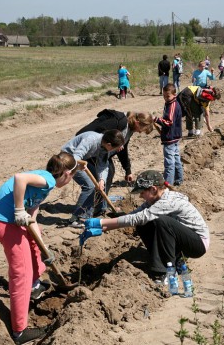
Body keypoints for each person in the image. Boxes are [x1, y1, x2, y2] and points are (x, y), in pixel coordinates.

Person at [0, 152, 80, 344]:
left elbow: (32, 219)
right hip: (1, 222)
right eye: (73, 178)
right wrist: (19, 209)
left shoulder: (43, 187)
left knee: (34, 244)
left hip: (8, 220)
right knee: (21, 272)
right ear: (67, 174)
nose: (71, 181)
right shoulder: (47, 180)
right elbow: (20, 178)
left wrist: (46, 249)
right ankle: (20, 332)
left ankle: (35, 285)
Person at [79, 170, 209, 283]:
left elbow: (140, 217)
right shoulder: (153, 199)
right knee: (143, 224)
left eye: (142, 192)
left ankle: (164, 272)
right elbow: (134, 216)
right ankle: (175, 260)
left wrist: (100, 222)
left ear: (153, 189)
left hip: (197, 245)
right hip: (182, 240)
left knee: (161, 222)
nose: (140, 196)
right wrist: (104, 227)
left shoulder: (168, 201)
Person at [61, 129, 126, 223]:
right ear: (109, 144)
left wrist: (102, 180)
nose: (113, 151)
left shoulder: (104, 146)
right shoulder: (91, 139)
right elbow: (76, 157)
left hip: (80, 160)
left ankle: (91, 212)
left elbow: (102, 165)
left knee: (97, 184)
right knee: (89, 186)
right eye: (113, 149)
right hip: (67, 160)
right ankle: (77, 218)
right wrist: (81, 166)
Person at [156, 84, 183, 185]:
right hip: (174, 136)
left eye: (168, 96)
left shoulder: (172, 105)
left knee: (169, 163)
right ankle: (179, 179)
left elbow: (169, 122)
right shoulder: (172, 103)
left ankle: (168, 184)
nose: (166, 98)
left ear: (174, 94)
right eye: (164, 96)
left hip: (170, 137)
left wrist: (157, 120)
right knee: (176, 159)